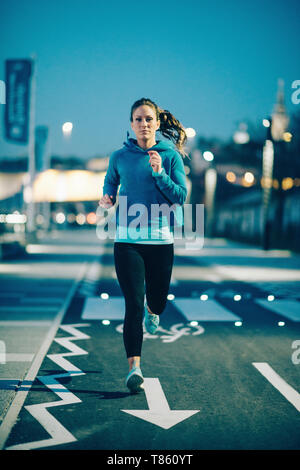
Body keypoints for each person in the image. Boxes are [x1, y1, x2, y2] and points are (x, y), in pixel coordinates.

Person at [99, 97, 188, 393]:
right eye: (138, 119)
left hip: (161, 240)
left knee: (156, 301)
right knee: (133, 305)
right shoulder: (119, 156)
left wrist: (159, 173)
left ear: (158, 123)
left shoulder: (170, 154)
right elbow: (110, 182)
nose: (143, 124)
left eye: (148, 119)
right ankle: (134, 368)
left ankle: (156, 311)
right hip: (128, 241)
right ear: (131, 124)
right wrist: (108, 198)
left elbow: (180, 196)